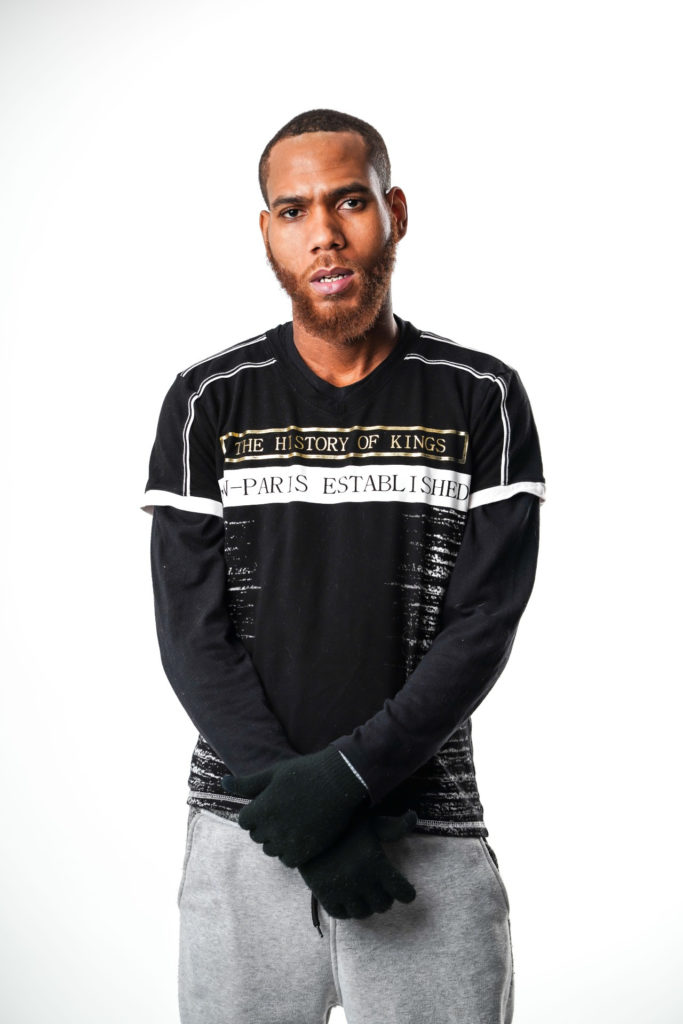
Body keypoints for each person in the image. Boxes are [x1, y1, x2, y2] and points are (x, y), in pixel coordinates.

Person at [141, 108, 545, 1024]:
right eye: (293, 211)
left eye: (349, 201)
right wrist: (303, 818)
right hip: (244, 826)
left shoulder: (480, 396)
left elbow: (481, 625)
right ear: (267, 231)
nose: (322, 232)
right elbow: (191, 634)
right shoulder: (207, 401)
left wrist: (347, 783)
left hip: (425, 830)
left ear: (393, 212)